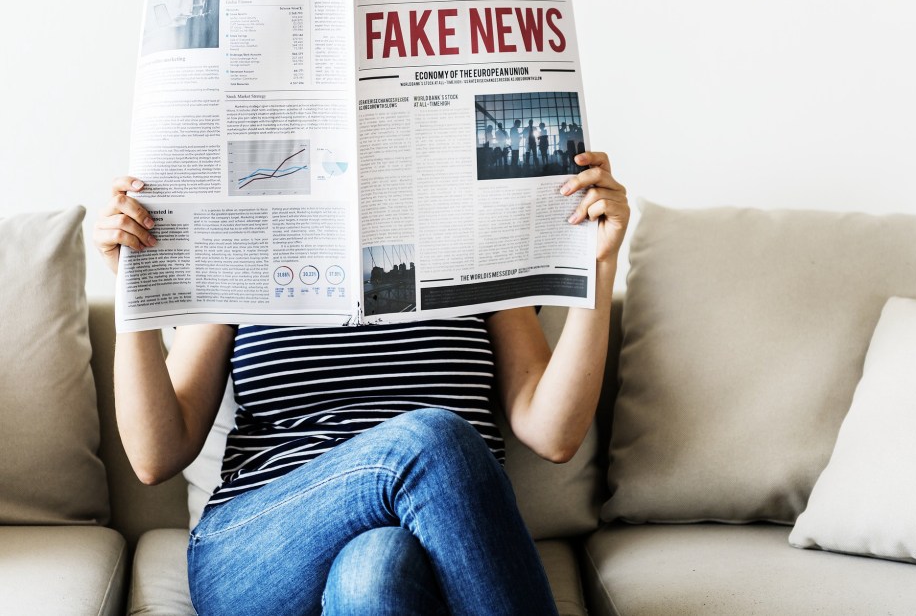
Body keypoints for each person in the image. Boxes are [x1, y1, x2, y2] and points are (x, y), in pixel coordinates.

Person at [93, 152, 629, 616]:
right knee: (432, 440)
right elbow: (155, 457)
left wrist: (599, 264)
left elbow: (554, 434)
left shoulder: (474, 241)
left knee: (374, 571)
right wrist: (133, 291)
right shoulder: (246, 242)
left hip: (423, 545)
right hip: (258, 548)